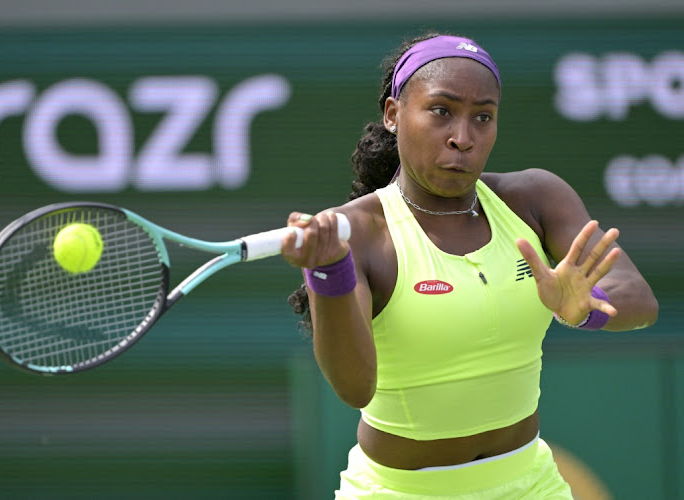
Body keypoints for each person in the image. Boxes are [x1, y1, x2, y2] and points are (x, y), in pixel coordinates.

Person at [281, 32, 659, 499]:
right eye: (441, 111)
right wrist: (327, 274)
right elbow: (354, 387)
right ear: (394, 114)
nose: (463, 138)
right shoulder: (354, 233)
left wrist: (585, 308)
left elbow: (640, 301)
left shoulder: (536, 199)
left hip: (530, 485)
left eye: (483, 117)